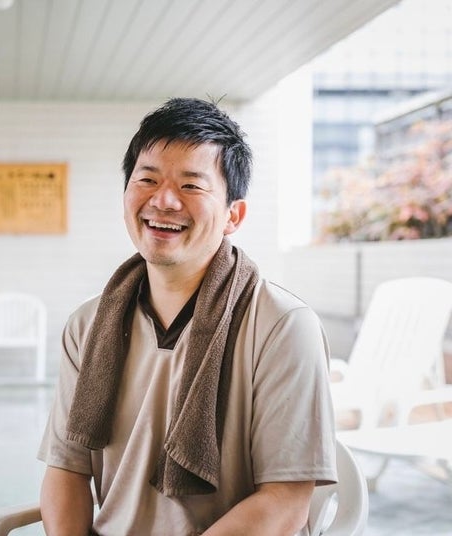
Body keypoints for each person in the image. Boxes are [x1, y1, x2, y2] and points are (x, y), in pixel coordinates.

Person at [38, 97, 337, 536]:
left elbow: (286, 501)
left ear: (233, 215)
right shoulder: (87, 325)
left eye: (191, 186)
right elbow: (66, 470)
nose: (163, 200)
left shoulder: (282, 326)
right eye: (147, 179)